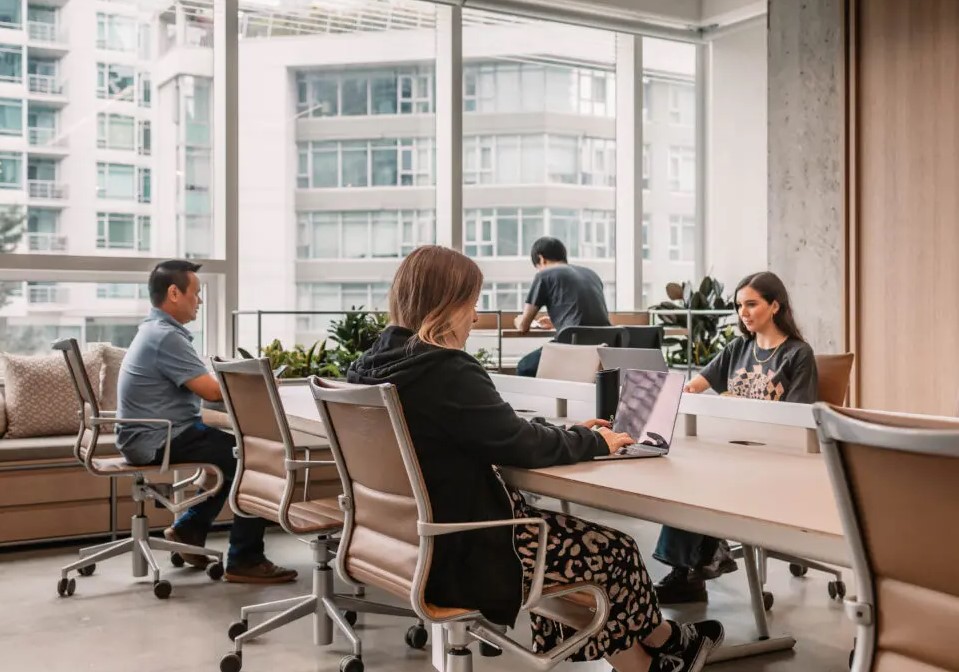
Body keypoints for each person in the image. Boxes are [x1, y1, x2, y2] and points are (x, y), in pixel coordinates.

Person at [348, 245, 724, 672]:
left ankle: (664, 643)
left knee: (585, 549)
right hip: (468, 547)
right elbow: (519, 445)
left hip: (404, 541)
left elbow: (494, 432)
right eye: (471, 306)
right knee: (615, 551)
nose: (474, 319)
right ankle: (655, 655)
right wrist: (595, 442)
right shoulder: (446, 369)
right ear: (447, 304)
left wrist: (572, 434)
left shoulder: (369, 367)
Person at [116, 260, 297, 584]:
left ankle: (189, 530)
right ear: (174, 293)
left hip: (153, 434)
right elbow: (211, 390)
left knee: (232, 458)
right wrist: (260, 384)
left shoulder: (156, 331)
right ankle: (245, 558)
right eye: (196, 293)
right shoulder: (165, 336)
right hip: (157, 438)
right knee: (253, 458)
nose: (199, 301)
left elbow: (203, 388)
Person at [653, 271, 818, 604]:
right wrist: (681, 393)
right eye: (739, 305)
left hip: (773, 458)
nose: (743, 312)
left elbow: (796, 422)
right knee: (685, 473)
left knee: (701, 478)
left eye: (752, 304)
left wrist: (739, 403)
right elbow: (695, 386)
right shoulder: (736, 348)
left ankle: (691, 572)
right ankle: (688, 571)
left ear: (775, 305)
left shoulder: (798, 354)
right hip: (731, 450)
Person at [515, 237, 611, 377]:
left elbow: (524, 325)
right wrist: (556, 321)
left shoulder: (544, 275)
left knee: (525, 367)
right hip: (603, 347)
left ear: (541, 259)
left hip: (573, 346)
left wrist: (518, 320)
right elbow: (586, 314)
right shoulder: (591, 274)